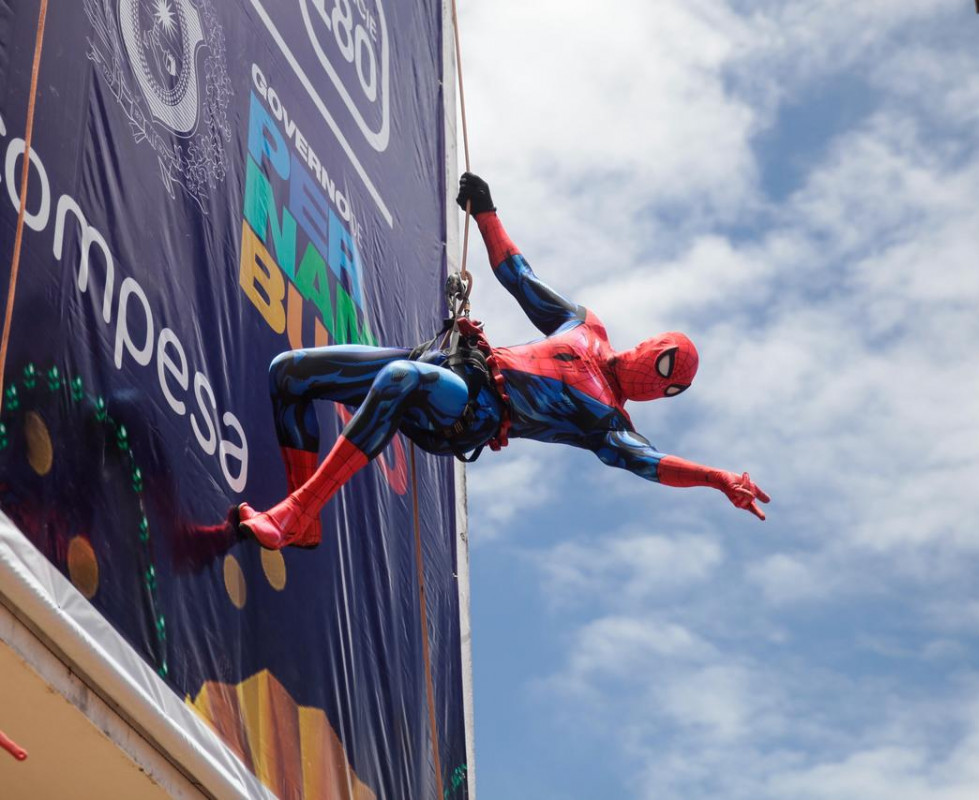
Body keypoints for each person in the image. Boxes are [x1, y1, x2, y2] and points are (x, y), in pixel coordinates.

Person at [238, 174, 769, 549]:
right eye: (665, 364)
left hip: (469, 409)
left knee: (402, 379)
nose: (657, 380)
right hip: (449, 360)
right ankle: (302, 522)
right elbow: (520, 276)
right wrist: (488, 213)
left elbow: (651, 464)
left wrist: (716, 477)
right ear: (655, 342)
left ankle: (298, 512)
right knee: (290, 373)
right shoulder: (586, 327)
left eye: (668, 386)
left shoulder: (608, 420)